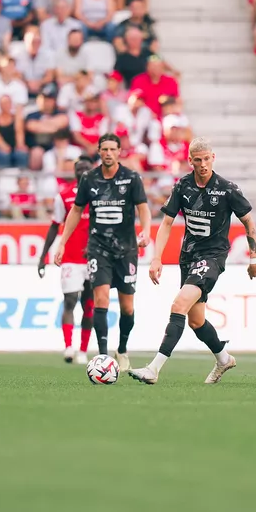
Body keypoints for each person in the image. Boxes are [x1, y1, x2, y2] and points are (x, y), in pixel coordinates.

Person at [128, 137, 256, 385]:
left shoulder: (227, 189)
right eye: (197, 160)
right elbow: (166, 223)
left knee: (179, 305)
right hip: (188, 257)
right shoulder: (183, 187)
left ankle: (153, 369)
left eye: (206, 159)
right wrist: (157, 258)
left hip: (212, 257)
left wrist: (254, 258)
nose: (202, 164)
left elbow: (249, 222)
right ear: (190, 160)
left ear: (213, 158)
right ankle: (223, 359)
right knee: (196, 320)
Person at [54, 133, 153, 371]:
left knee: (127, 306)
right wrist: (62, 242)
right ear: (99, 152)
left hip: (126, 249)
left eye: (112, 149)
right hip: (98, 249)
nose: (108, 153)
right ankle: (102, 355)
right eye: (104, 149)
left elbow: (143, 208)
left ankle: (122, 348)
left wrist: (147, 231)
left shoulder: (130, 178)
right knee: (100, 299)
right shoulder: (89, 179)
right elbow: (76, 212)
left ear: (119, 152)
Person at [38, 157, 95, 365]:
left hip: (94, 257)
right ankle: (69, 346)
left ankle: (83, 349)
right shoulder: (64, 196)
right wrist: (43, 255)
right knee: (70, 300)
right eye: (79, 168)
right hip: (71, 257)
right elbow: (54, 225)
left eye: (86, 167)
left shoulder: (101, 194)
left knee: (89, 304)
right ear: (74, 172)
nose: (83, 171)